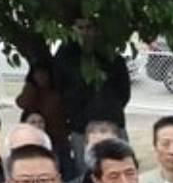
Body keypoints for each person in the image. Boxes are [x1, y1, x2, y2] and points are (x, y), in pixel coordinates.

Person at [53, 18, 131, 161]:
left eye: (89, 27)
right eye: (80, 28)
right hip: (80, 128)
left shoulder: (111, 57)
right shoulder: (64, 57)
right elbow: (59, 90)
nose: (85, 32)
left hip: (113, 124)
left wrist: (110, 108)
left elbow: (123, 92)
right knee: (85, 173)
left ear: (96, 30)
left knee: (119, 165)